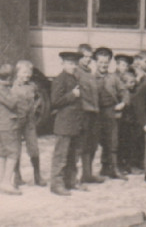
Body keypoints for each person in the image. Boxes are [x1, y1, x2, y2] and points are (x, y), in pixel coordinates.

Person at [49, 52, 83, 196]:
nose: (73, 66)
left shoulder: (74, 78)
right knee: (61, 156)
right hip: (64, 124)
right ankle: (56, 185)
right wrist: (72, 95)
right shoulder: (59, 79)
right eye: (70, 63)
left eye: (75, 63)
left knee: (72, 155)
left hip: (74, 124)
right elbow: (55, 102)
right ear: (63, 64)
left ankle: (70, 182)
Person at [95, 47, 129, 180]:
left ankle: (113, 169)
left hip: (110, 112)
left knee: (113, 140)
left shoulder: (113, 78)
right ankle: (104, 167)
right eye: (100, 62)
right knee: (100, 140)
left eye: (106, 63)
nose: (103, 65)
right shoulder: (92, 78)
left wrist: (123, 103)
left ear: (109, 63)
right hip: (97, 113)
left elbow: (124, 91)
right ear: (96, 63)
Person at [11, 60, 46, 188]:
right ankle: (17, 177)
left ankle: (37, 176)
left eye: (29, 72)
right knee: (15, 149)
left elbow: (37, 97)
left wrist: (34, 107)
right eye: (24, 72)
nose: (27, 75)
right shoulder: (12, 87)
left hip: (29, 122)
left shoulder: (32, 86)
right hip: (16, 122)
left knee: (34, 148)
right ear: (18, 73)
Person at [75, 43, 105, 184]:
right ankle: (76, 177)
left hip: (94, 112)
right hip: (83, 113)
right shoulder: (76, 73)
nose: (87, 60)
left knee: (92, 144)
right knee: (82, 145)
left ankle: (88, 174)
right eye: (84, 57)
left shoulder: (90, 73)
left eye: (89, 57)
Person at [0, 63, 20, 195]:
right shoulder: (3, 89)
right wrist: (15, 88)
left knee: (2, 153)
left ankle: (2, 180)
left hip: (3, 124)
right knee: (12, 153)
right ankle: (6, 182)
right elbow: (12, 103)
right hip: (6, 124)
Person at [118, 72, 143, 174]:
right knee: (125, 145)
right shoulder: (123, 94)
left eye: (134, 82)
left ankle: (134, 164)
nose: (133, 84)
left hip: (134, 122)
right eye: (130, 82)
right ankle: (126, 166)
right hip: (125, 123)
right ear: (124, 83)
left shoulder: (135, 93)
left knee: (134, 144)